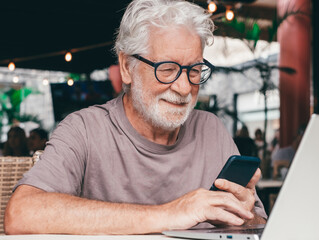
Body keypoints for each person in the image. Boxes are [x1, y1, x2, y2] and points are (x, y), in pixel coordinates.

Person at [5, 0, 267, 235]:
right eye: (167, 69)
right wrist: (172, 214)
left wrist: (243, 218)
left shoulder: (212, 130)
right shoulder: (84, 129)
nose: (185, 88)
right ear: (126, 68)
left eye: (195, 70)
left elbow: (259, 225)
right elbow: (21, 214)